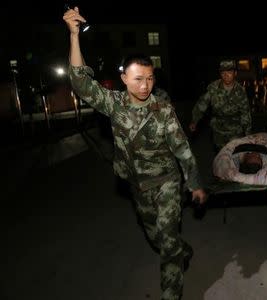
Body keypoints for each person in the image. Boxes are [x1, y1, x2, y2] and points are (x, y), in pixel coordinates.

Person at [63, 7, 207, 300]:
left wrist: (194, 183)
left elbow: (182, 149)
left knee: (166, 244)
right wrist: (74, 35)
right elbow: (80, 82)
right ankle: (183, 250)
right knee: (155, 237)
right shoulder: (114, 104)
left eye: (150, 79)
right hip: (137, 186)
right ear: (124, 79)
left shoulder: (162, 109)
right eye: (139, 79)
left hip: (166, 182)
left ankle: (172, 292)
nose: (145, 85)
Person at [189, 59, 252, 151]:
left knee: (234, 157)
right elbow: (201, 104)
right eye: (223, 72)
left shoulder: (240, 91)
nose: (226, 75)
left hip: (235, 131)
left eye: (229, 72)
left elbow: (245, 114)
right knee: (220, 158)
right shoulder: (213, 88)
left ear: (235, 73)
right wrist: (194, 120)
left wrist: (248, 135)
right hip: (218, 131)